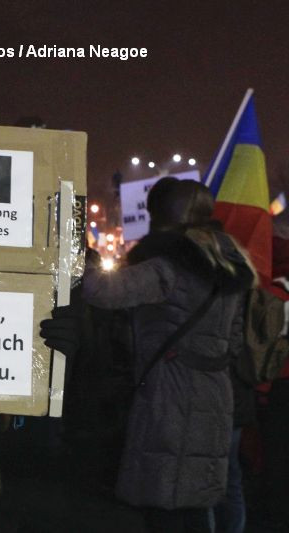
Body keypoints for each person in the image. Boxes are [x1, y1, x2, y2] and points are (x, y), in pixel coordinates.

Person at [82, 178, 255, 532]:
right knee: (195, 497)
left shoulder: (169, 266)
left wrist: (74, 249)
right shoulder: (229, 265)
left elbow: (101, 291)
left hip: (171, 394)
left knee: (168, 502)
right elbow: (235, 340)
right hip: (215, 393)